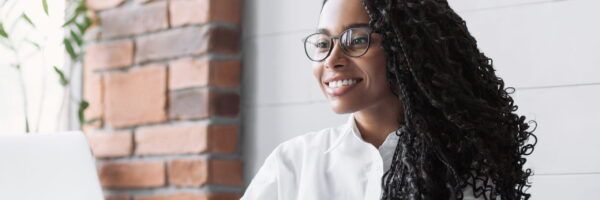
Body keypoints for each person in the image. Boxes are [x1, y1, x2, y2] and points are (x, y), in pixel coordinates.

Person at [241, 0, 538, 199]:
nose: (332, 60)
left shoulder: (465, 166)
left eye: (356, 39)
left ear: (406, 48)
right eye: (323, 43)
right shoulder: (293, 163)